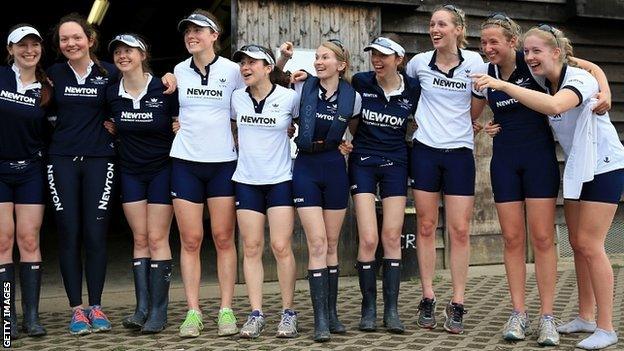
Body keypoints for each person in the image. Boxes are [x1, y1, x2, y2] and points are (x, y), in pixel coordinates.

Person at [472, 24, 623, 351]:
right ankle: (585, 315)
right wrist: (491, 123)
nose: (530, 57)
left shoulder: (576, 79)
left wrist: (607, 92)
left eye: (536, 51)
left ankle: (607, 327)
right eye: (527, 52)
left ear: (556, 52)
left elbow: (560, 101)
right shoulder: (544, 78)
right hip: (576, 167)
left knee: (589, 243)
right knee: (577, 243)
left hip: (604, 165)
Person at [46, 13, 176, 336]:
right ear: (59, 44)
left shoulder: (108, 73)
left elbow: (143, 81)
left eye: (77, 37)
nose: (71, 44)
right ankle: (77, 310)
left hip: (101, 160)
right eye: (64, 39)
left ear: (90, 39)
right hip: (61, 160)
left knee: (95, 234)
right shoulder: (51, 75)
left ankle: (97, 306)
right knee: (69, 232)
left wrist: (171, 77)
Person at [405, 4, 486, 335]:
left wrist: (463, 128)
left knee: (460, 230)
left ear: (458, 29)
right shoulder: (418, 63)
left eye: (441, 24)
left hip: (459, 154)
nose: (434, 29)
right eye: (431, 24)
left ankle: (457, 301)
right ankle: (427, 296)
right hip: (425, 150)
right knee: (425, 226)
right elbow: (405, 96)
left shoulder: (477, 64)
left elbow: (476, 107)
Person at [277, 39, 361, 342]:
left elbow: (358, 132)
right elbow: (274, 84)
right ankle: (320, 320)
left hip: (335, 167)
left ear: (341, 65)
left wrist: (349, 144)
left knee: (331, 243)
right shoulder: (302, 87)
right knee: (316, 242)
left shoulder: (353, 97)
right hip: (307, 168)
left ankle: (333, 314)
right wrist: (285, 63)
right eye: (316, 57)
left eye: (325, 57)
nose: (318, 62)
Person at [172, 9, 244, 338]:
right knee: (190, 240)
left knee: (223, 238)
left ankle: (226, 309)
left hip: (223, 164)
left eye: (199, 30)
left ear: (215, 36)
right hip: (185, 162)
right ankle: (193, 311)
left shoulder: (233, 70)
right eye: (188, 30)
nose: (192, 35)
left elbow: (257, 94)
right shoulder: (177, 71)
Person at [342, 35, 420, 335]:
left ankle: (392, 311)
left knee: (391, 236)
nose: (377, 60)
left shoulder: (413, 88)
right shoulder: (361, 81)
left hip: (396, 163)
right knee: (369, 239)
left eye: (384, 55)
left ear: (398, 59)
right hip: (363, 162)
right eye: (373, 54)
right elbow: (349, 116)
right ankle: (369, 309)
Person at [106, 33, 176, 334]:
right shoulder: (110, 93)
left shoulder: (165, 87)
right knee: (140, 239)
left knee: (158, 239)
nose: (123, 55)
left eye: (129, 50)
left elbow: (185, 118)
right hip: (131, 172)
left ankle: (159, 313)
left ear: (143, 53)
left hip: (162, 170)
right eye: (118, 52)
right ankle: (141, 309)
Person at [230, 44, 298, 339]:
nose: (245, 67)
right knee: (252, 247)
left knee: (281, 247)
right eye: (242, 63)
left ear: (268, 68)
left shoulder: (289, 98)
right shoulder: (236, 98)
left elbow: (300, 126)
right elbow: (233, 130)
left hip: (280, 179)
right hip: (246, 180)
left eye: (252, 63)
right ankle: (256, 313)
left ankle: (288, 313)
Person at [0, 24, 51, 340]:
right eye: (22, 45)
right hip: (0, 171)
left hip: (31, 170)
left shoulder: (49, 88)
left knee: (29, 241)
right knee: (3, 242)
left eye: (34, 45)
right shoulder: (1, 78)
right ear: (10, 49)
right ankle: (7, 319)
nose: (29, 50)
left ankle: (31, 319)